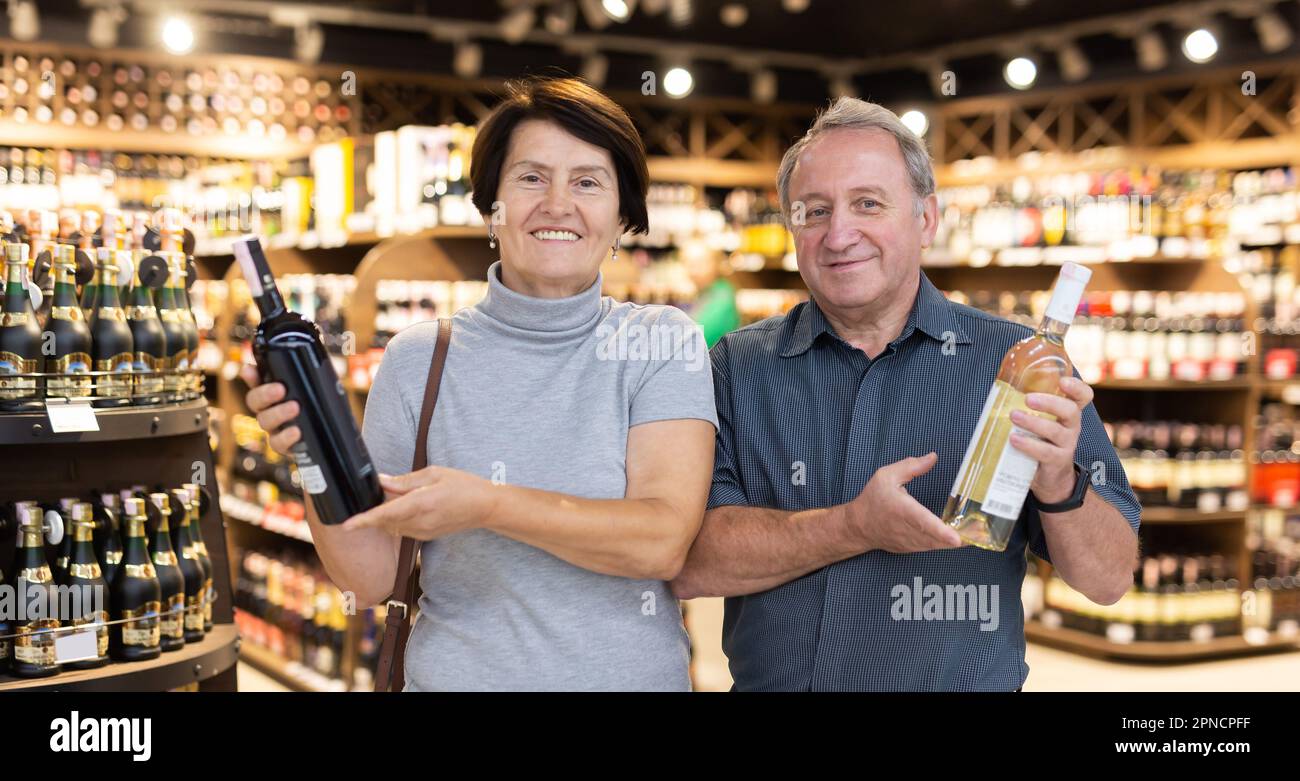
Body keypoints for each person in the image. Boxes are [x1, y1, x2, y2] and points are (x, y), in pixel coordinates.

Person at [243, 77, 717, 691]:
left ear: (622, 215)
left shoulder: (661, 342)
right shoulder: (419, 359)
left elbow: (660, 542)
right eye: (530, 178)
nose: (557, 203)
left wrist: (488, 504)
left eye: (588, 182)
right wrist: (313, 457)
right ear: (490, 205)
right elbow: (369, 578)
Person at [671, 98, 1141, 691]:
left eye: (868, 203)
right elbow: (690, 562)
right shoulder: (737, 367)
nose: (839, 234)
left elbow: (1109, 578)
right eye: (814, 211)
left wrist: (1058, 483)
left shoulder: (1020, 365)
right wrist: (852, 527)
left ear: (926, 219)